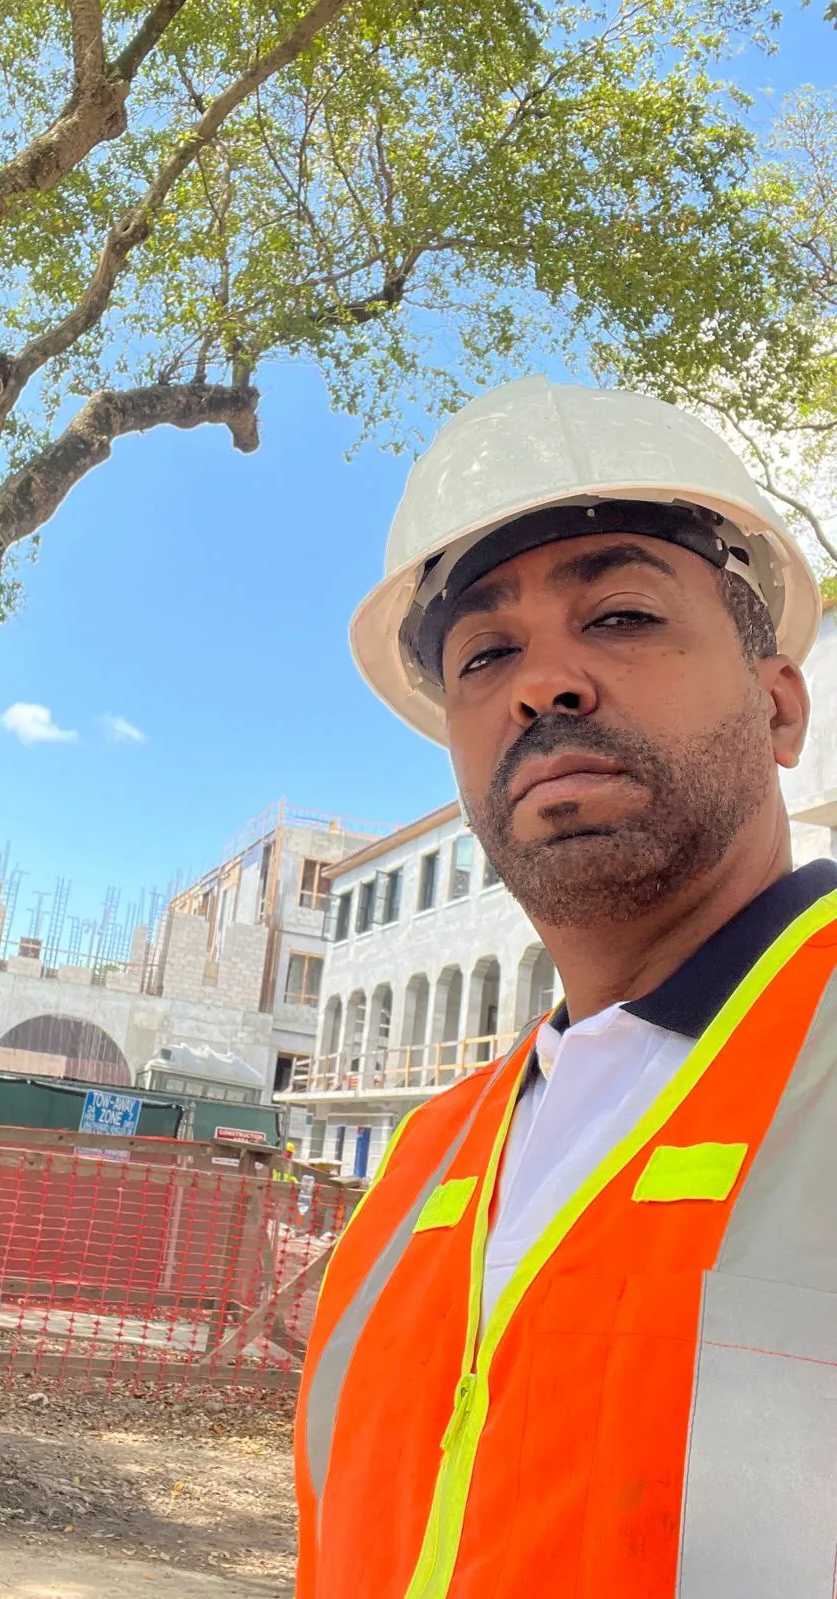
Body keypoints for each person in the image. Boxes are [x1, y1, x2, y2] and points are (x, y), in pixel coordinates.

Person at [294, 377, 837, 1599]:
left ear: (779, 702)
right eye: (488, 654)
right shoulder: (423, 1171)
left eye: (625, 616)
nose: (545, 685)